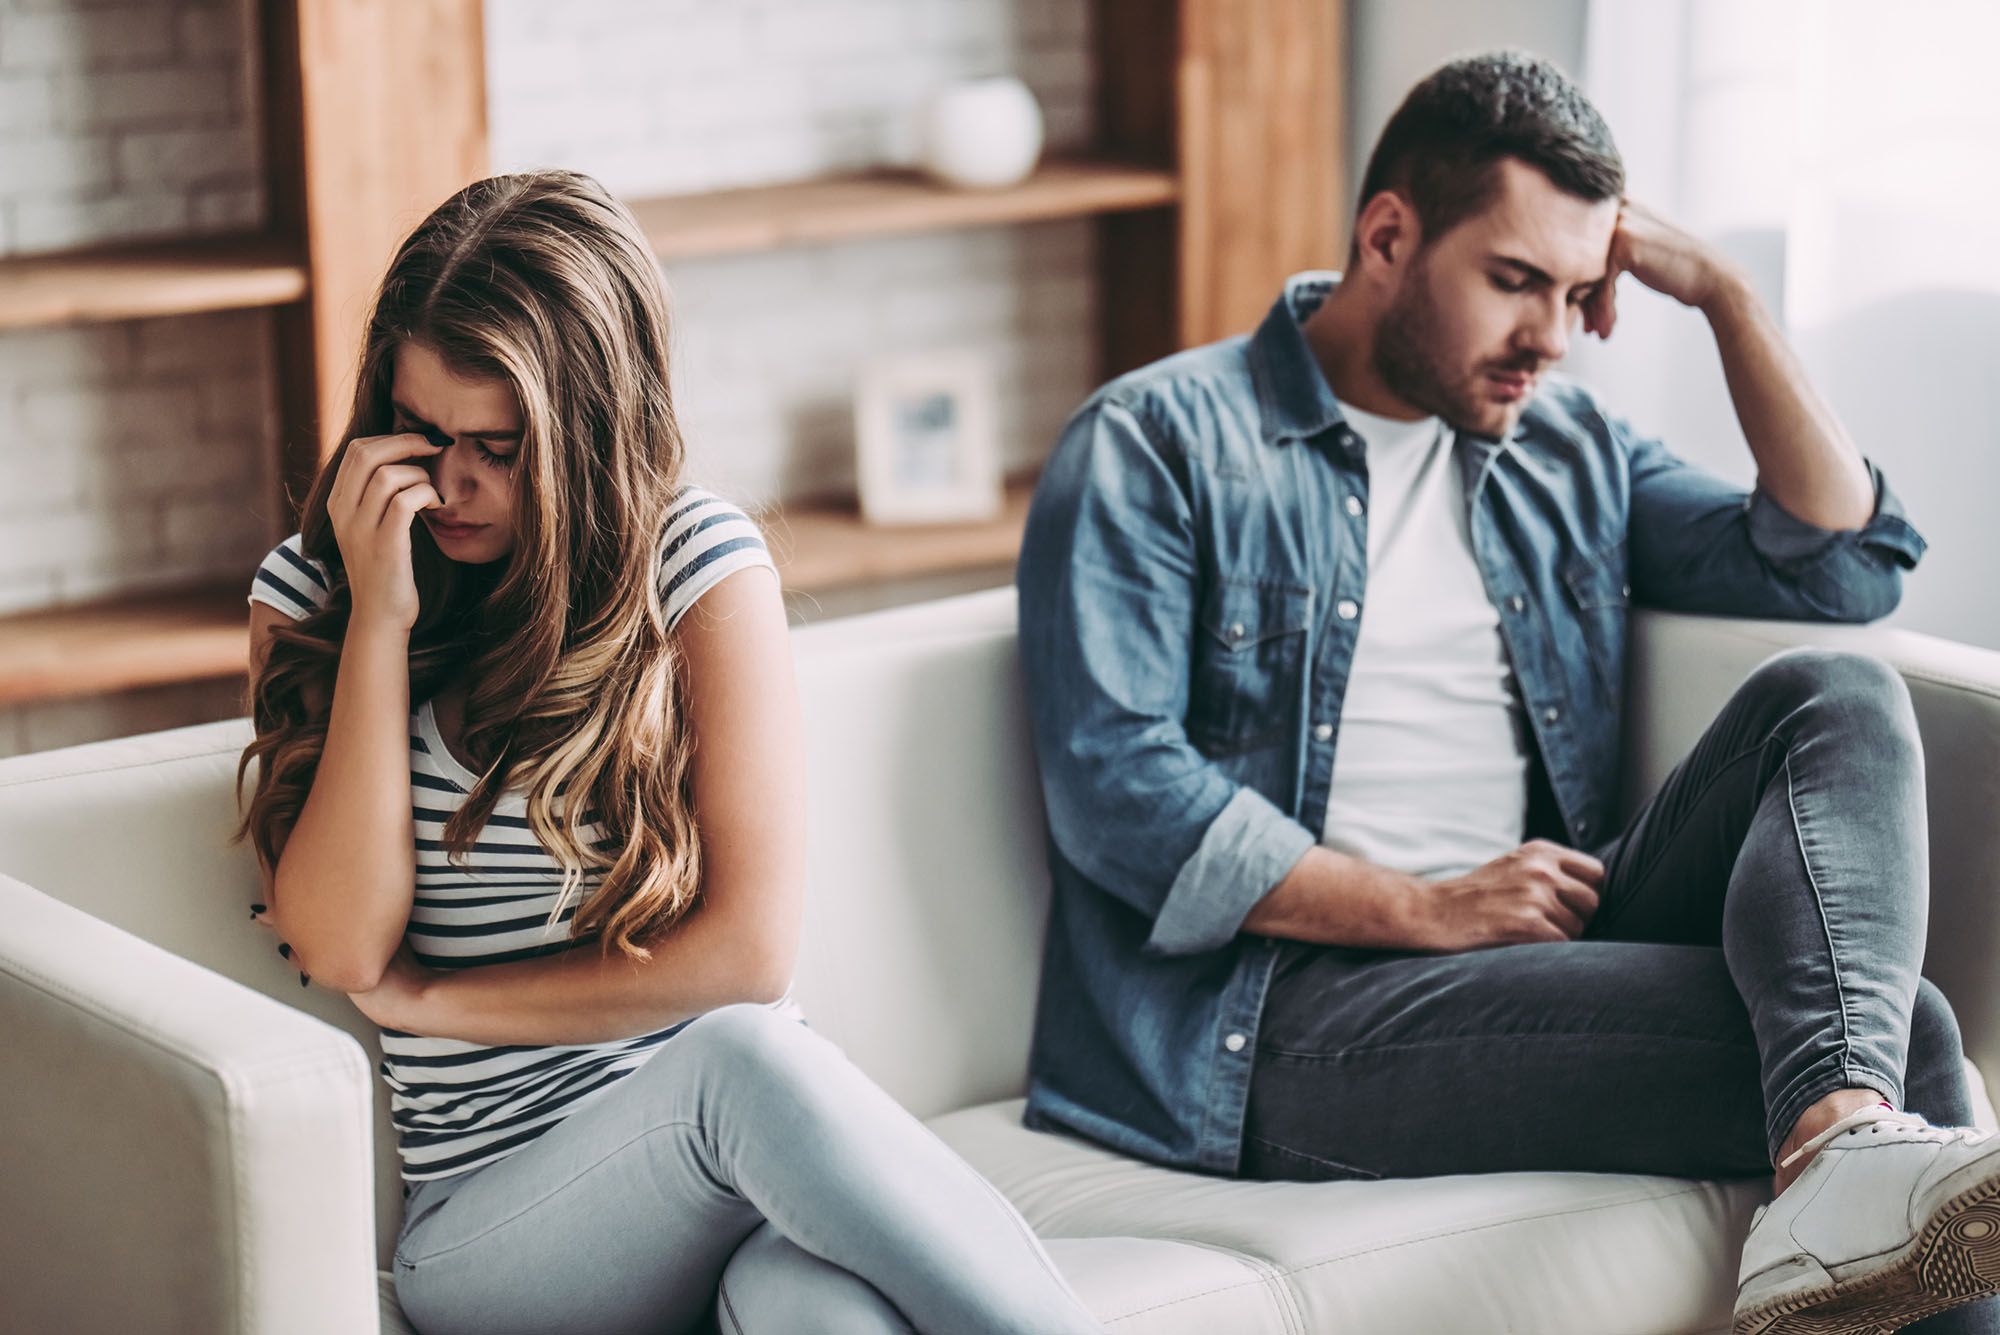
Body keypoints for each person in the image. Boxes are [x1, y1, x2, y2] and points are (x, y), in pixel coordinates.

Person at [1015, 50, 2000, 1334]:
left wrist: (1722, 296)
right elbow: (1118, 790)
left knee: (1834, 691)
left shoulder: (1559, 447)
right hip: (1290, 1013)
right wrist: (1418, 906)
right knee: (1906, 1034)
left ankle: (1839, 1158)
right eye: (1513, 281)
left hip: (1543, 946)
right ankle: (1846, 1153)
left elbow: (1839, 563)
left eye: (1579, 290)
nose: (1547, 334)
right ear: (1387, 237)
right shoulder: (1159, 442)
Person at [235, 170, 1101, 1335]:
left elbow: (745, 946)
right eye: (421, 433)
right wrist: (381, 623)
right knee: (740, 1065)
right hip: (502, 1224)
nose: (450, 484)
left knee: (820, 1319)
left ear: (586, 435)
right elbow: (342, 942)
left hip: (742, 1180)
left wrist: (443, 998)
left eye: (497, 446)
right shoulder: (315, 592)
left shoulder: (692, 563)